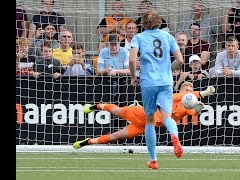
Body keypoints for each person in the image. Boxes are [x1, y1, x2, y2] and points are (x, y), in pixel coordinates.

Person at [73, 82, 215, 152]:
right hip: (140, 113)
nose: (189, 93)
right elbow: (180, 96)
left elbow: (194, 112)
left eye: (191, 91)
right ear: (181, 90)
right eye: (187, 90)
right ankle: (96, 106)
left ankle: (88, 142)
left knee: (116, 137)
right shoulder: (171, 96)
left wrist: (198, 107)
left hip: (145, 125)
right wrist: (202, 93)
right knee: (116, 110)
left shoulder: (186, 108)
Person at [128, 10, 184, 169]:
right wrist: (168, 70)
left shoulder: (138, 38)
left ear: (143, 24)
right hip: (166, 81)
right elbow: (180, 59)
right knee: (167, 117)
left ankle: (153, 160)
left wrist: (133, 76)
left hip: (148, 82)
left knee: (150, 120)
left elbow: (132, 59)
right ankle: (174, 136)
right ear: (159, 22)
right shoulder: (168, 36)